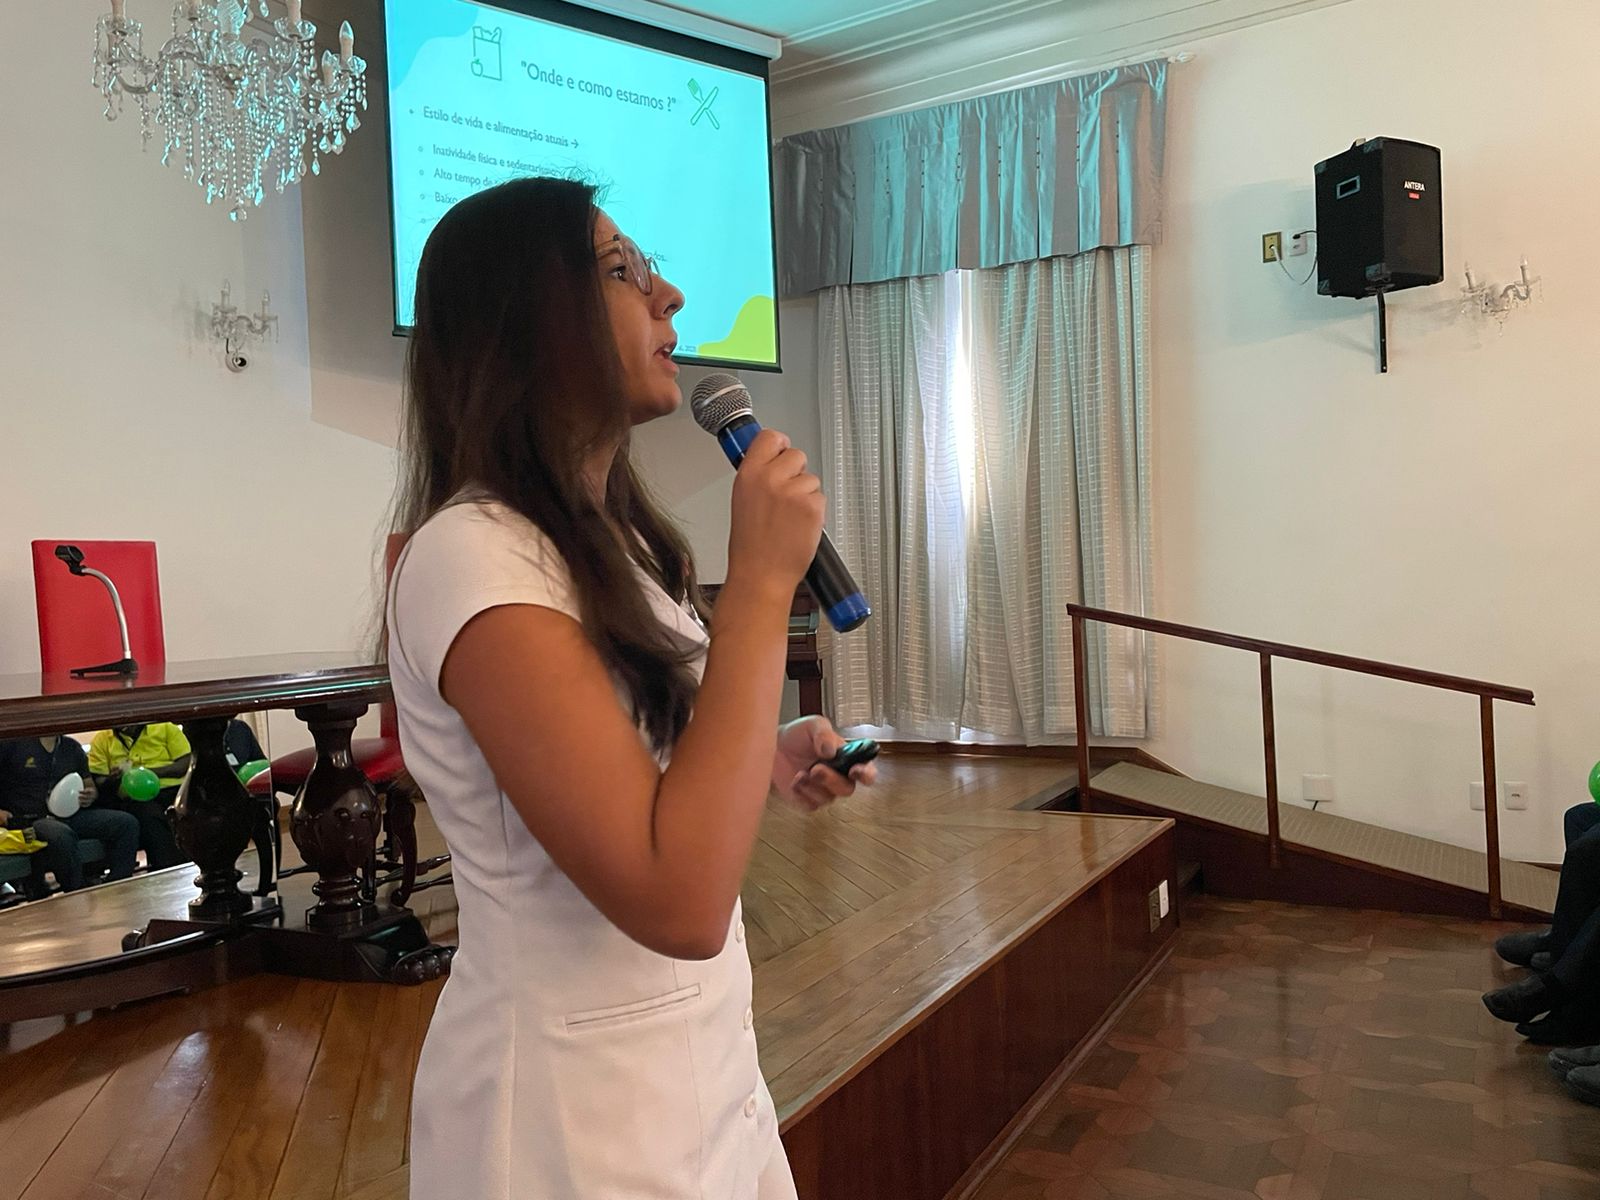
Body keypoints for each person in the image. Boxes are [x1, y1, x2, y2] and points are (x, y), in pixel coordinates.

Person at [386, 176, 876, 1198]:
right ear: (528, 320)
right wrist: (760, 584)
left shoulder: (622, 548)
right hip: (570, 1119)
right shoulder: (472, 555)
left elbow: (632, 773)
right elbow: (678, 899)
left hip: (703, 1073)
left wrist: (761, 758)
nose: (670, 296)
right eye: (622, 271)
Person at [0, 734, 139, 893]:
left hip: (70, 814)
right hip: (30, 819)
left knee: (126, 823)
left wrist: (90, 794)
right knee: (61, 835)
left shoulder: (71, 747)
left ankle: (118, 886)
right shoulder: (11, 745)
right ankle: (78, 892)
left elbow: (89, 784)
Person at [88, 722, 192, 869]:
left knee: (185, 810)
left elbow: (185, 763)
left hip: (172, 789)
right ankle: (168, 867)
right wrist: (113, 779)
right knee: (149, 815)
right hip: (135, 797)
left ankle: (192, 862)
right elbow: (98, 779)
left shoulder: (165, 727)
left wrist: (149, 773)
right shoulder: (102, 739)